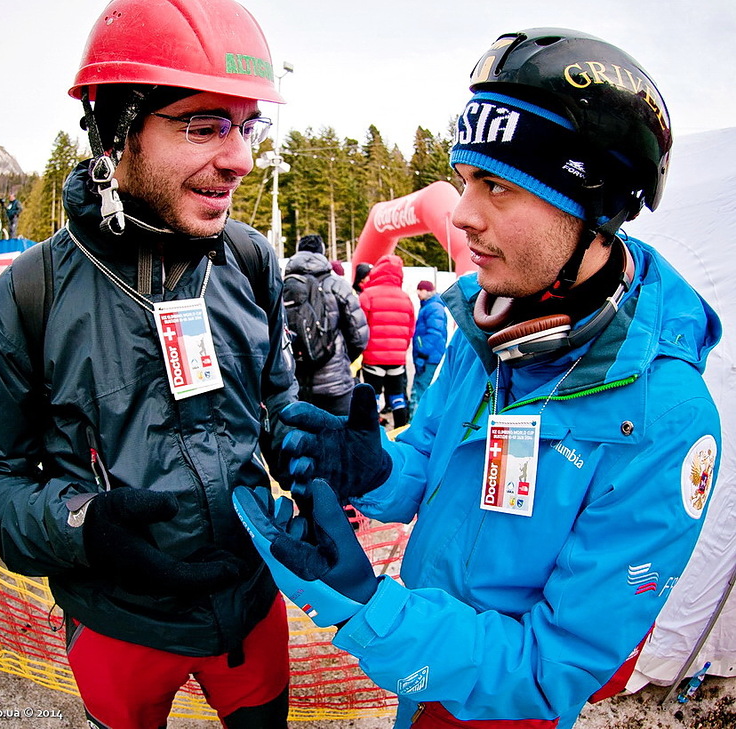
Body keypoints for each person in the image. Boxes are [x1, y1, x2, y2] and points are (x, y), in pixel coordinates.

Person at [232, 28, 723, 729]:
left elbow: (550, 667)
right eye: (465, 181)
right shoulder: (488, 325)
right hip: (420, 668)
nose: (461, 214)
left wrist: (368, 606)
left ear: (595, 207)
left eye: (497, 186)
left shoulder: (667, 418)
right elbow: (427, 465)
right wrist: (369, 468)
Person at [0, 1, 297, 727]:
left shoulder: (249, 260)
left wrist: (325, 449)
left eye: (246, 127)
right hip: (117, 622)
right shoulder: (28, 296)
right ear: (117, 133)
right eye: (204, 126)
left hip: (247, 607)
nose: (239, 158)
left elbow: (281, 411)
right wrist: (83, 525)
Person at [284, 234, 368, 416]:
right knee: (339, 438)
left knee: (301, 440)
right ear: (322, 253)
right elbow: (359, 337)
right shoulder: (338, 285)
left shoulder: (282, 286)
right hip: (335, 385)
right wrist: (342, 359)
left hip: (296, 383)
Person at [358, 254, 415, 428]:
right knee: (397, 396)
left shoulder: (367, 295)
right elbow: (410, 330)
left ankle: (373, 433)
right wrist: (401, 350)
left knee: (373, 397)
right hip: (397, 359)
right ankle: (400, 432)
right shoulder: (406, 298)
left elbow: (360, 327)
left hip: (372, 358)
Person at [409, 280, 447, 416]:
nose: (418, 293)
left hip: (427, 358)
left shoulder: (433, 308)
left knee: (419, 392)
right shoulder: (431, 306)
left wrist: (422, 353)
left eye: (421, 289)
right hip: (429, 356)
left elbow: (434, 334)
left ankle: (412, 425)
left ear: (427, 291)